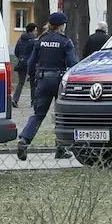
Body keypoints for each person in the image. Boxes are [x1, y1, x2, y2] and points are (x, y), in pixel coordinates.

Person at [16, 12, 78, 161]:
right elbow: (72, 64)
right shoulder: (65, 42)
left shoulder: (40, 40)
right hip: (59, 80)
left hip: (43, 80)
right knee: (61, 115)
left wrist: (33, 79)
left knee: (38, 115)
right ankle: (61, 148)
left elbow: (31, 63)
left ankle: (24, 140)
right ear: (62, 25)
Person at [11, 23, 40, 108]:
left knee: (20, 82)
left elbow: (16, 51)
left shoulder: (20, 39)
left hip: (21, 62)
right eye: (35, 30)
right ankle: (33, 102)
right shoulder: (33, 41)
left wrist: (21, 57)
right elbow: (36, 53)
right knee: (33, 83)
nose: (36, 32)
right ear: (31, 31)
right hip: (31, 63)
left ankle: (15, 99)